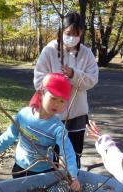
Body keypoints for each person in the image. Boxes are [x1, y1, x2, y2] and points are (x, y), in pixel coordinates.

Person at [0, 73, 80, 191]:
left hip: (43, 173)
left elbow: (67, 152)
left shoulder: (58, 128)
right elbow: (11, 133)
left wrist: (73, 175)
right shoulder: (24, 115)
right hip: (19, 168)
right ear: (41, 93)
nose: (57, 104)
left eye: (62, 101)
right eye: (53, 98)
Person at [34, 12, 99, 168]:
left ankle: (72, 185)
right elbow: (38, 80)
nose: (72, 37)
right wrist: (55, 85)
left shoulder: (86, 53)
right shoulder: (49, 50)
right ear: (61, 31)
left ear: (81, 33)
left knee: (74, 154)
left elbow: (92, 79)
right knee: (51, 155)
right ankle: (50, 185)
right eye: (68, 33)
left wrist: (74, 74)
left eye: (76, 34)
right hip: (52, 113)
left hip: (76, 114)